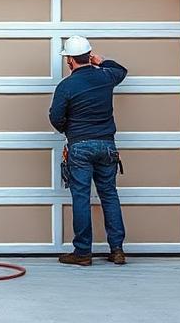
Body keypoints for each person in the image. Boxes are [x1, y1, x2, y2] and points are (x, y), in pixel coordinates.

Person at [49, 35, 128, 266]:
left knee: (81, 197)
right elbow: (121, 70)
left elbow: (55, 117)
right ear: (89, 56)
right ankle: (117, 250)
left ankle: (83, 252)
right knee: (109, 195)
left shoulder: (66, 85)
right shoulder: (106, 76)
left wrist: (70, 131)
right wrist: (101, 61)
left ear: (69, 61)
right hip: (107, 146)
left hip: (80, 146)